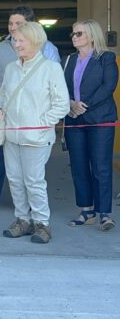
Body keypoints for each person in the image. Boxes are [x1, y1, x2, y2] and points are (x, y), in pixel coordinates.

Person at [0, 6, 60, 215]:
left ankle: (34, 213)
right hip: (0, 113)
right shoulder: (0, 48)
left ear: (32, 26)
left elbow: (54, 89)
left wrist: (45, 119)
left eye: (19, 24)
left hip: (32, 118)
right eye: (10, 23)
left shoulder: (48, 49)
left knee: (30, 170)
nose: (13, 28)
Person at [0, 22, 69, 244]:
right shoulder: (11, 68)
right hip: (11, 135)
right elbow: (2, 94)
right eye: (15, 40)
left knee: (34, 181)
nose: (17, 45)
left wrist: (41, 123)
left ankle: (42, 223)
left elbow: (62, 105)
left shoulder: (51, 69)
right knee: (15, 180)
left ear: (36, 41)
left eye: (21, 40)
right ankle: (22, 220)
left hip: (36, 137)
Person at [63, 20, 118, 231]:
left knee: (101, 166)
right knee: (78, 166)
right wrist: (69, 104)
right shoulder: (68, 60)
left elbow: (108, 86)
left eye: (79, 33)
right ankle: (87, 211)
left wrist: (83, 106)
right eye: (73, 33)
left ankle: (105, 213)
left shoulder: (106, 58)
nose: (74, 37)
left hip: (100, 118)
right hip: (73, 119)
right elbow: (58, 86)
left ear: (92, 36)